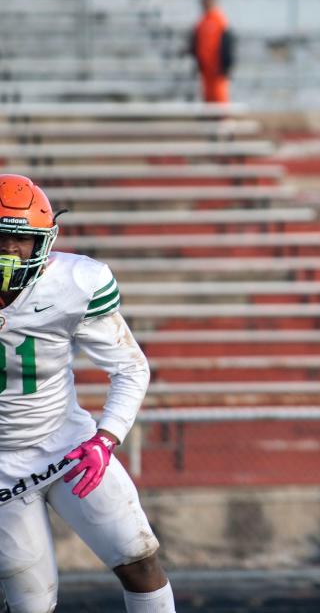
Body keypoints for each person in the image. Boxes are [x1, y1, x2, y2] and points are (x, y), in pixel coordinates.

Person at [0, 175, 176, 612]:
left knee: (138, 559)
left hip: (69, 448)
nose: (8, 252)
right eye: (0, 238)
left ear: (43, 242)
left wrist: (106, 437)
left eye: (19, 241)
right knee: (29, 603)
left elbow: (130, 367)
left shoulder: (76, 283)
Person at [190, 0, 234, 103]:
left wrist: (226, 65)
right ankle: (209, 118)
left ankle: (222, 119)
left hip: (218, 69)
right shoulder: (201, 22)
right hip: (205, 69)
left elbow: (227, 44)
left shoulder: (220, 20)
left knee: (220, 96)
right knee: (207, 97)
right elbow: (195, 43)